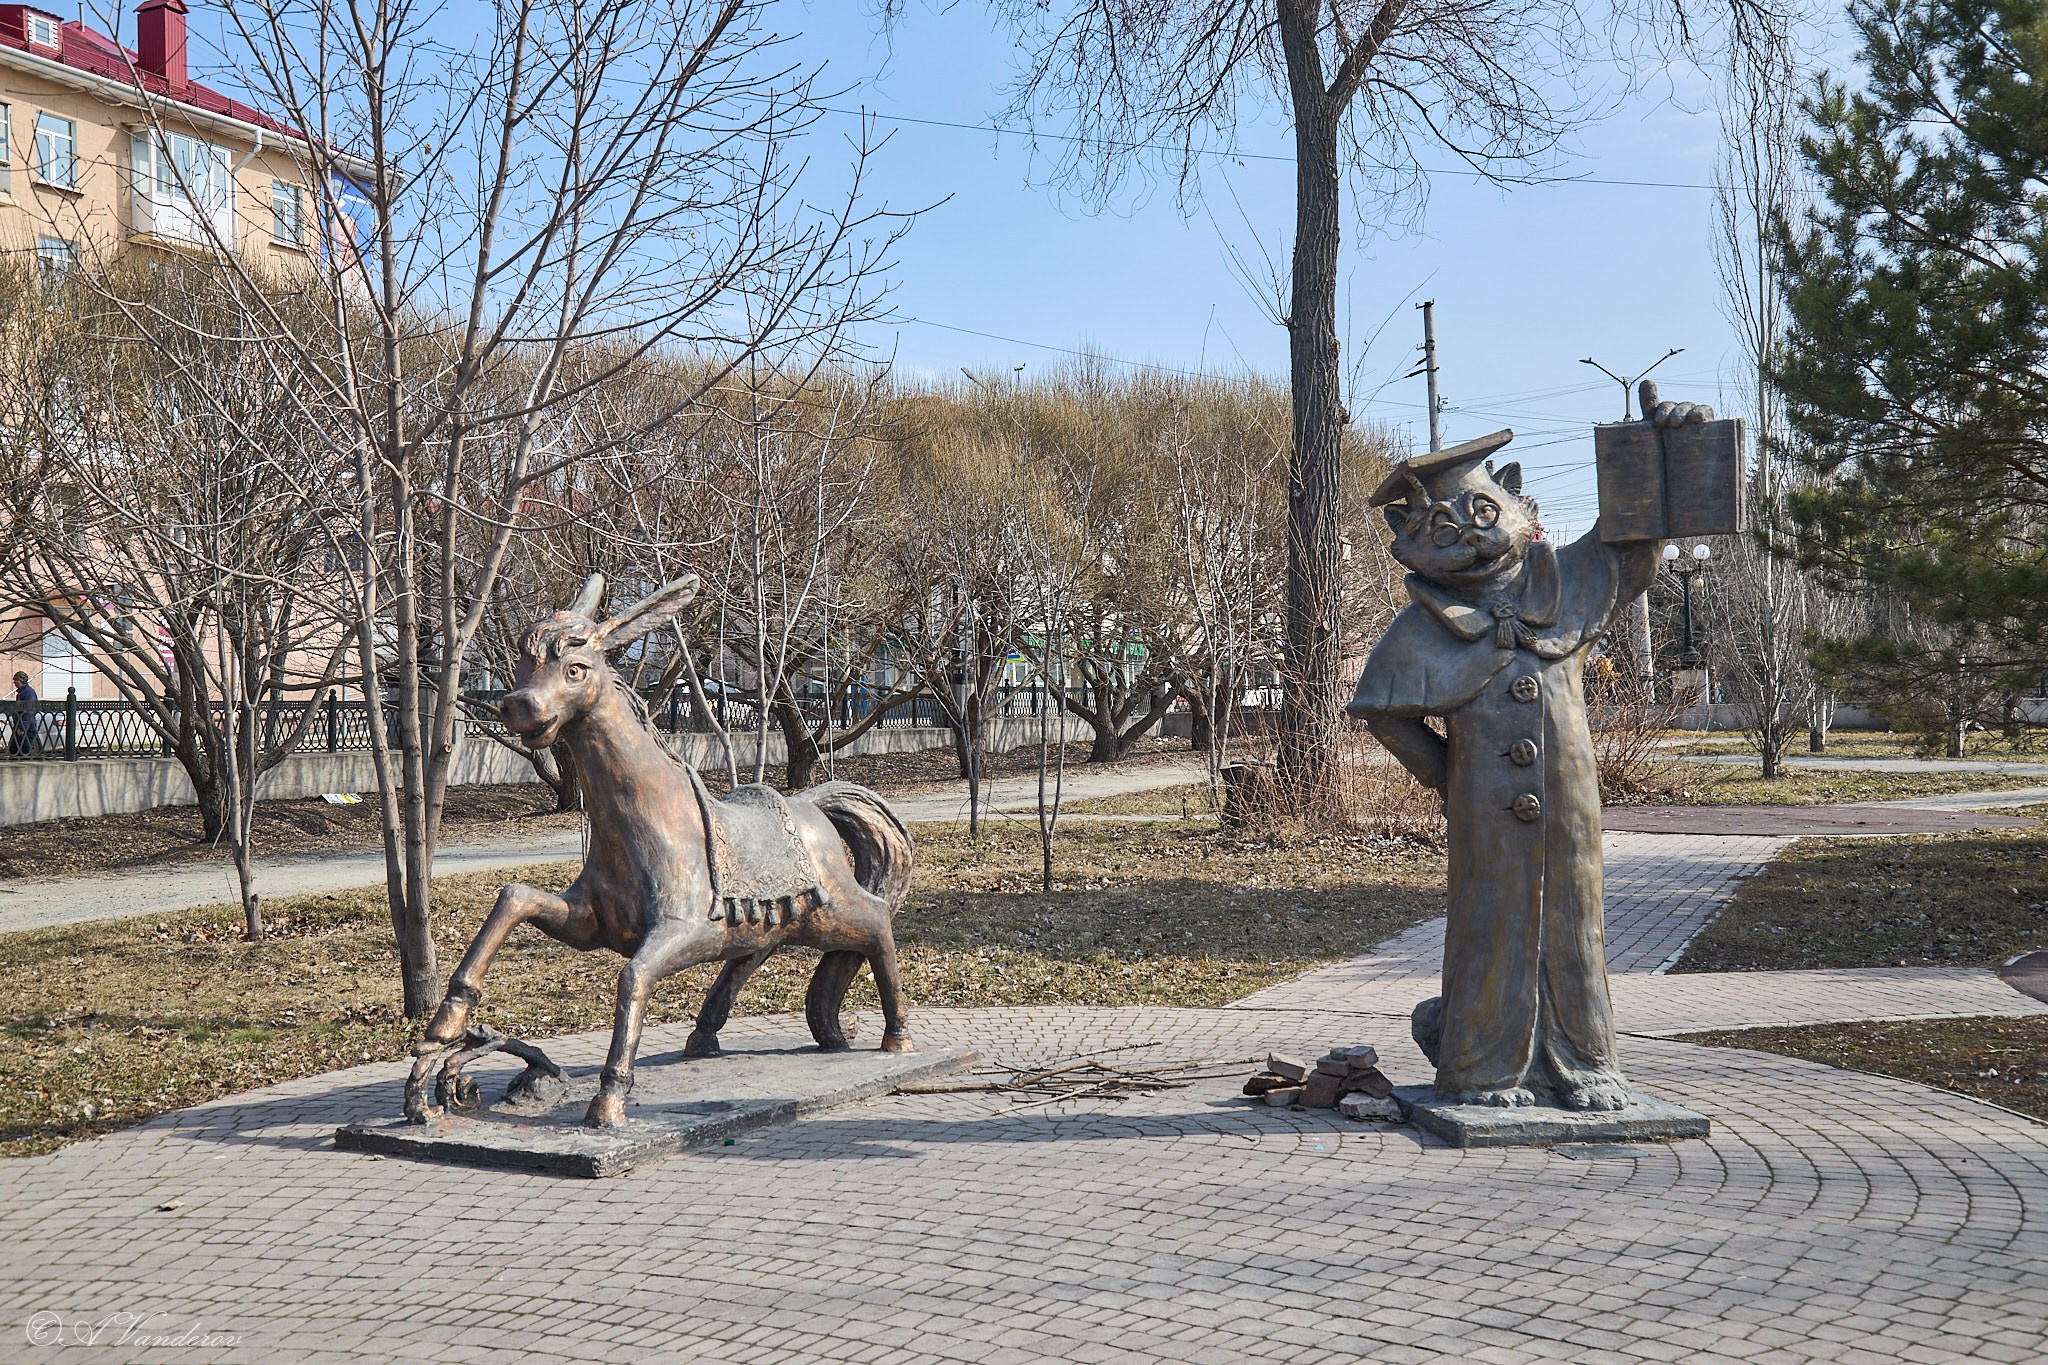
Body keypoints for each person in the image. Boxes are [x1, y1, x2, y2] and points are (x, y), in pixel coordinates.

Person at [8, 671, 38, 755]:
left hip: (26, 727)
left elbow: (29, 711)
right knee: (14, 751)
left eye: (16, 680)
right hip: (20, 725)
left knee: (24, 752)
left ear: (21, 681)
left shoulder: (28, 693)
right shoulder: (22, 692)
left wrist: (23, 728)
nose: (14, 683)